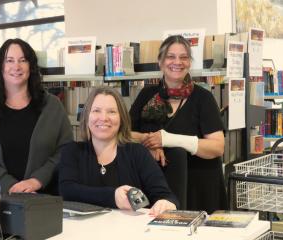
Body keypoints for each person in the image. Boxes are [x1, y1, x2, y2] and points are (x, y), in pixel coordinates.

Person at [129, 35, 228, 213]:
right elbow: (124, 134)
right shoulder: (146, 95)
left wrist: (167, 139)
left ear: (190, 63)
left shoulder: (203, 98)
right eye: (170, 56)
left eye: (184, 57)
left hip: (198, 188)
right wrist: (148, 141)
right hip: (156, 186)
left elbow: (217, 146)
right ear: (160, 62)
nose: (177, 62)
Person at [59, 86, 178, 216]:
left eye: (111, 112)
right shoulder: (71, 151)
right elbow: (67, 191)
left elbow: (166, 196)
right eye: (96, 110)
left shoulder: (138, 153)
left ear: (121, 118)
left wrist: (165, 203)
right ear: (86, 117)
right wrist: (113, 196)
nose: (103, 118)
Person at [0, 38, 73, 194]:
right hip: (0, 201)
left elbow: (66, 150)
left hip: (44, 199)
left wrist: (38, 179)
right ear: (0, 67)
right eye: (9, 60)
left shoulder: (52, 106)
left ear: (31, 66)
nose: (16, 66)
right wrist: (9, 185)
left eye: (23, 60)